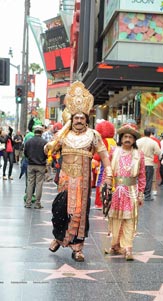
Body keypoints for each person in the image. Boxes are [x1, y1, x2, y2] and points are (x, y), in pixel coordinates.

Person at [44, 81, 112, 262]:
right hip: (65, 182)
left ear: (87, 119)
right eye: (76, 118)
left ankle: (77, 248)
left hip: (82, 183)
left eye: (82, 118)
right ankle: (59, 238)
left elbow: (105, 158)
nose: (79, 121)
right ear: (71, 120)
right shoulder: (63, 136)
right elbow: (48, 150)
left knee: (80, 215)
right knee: (59, 211)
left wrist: (109, 176)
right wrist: (54, 142)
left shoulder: (94, 136)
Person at [105, 122, 146, 261]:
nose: (127, 139)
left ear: (134, 140)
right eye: (125, 136)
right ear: (121, 138)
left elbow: (142, 175)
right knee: (115, 218)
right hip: (116, 190)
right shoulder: (113, 151)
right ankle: (115, 245)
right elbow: (108, 170)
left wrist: (141, 193)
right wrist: (106, 185)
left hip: (132, 191)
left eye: (130, 137)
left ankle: (128, 248)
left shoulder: (138, 154)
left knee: (129, 219)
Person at [93, 119, 116, 209]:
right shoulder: (113, 141)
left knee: (100, 183)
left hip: (104, 166)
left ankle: (100, 202)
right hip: (112, 165)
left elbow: (100, 155)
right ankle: (108, 201)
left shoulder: (103, 141)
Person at [24, 125, 47, 209]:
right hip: (41, 165)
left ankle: (28, 203)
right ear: (41, 132)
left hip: (30, 164)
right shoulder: (44, 142)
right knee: (39, 184)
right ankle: (37, 203)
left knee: (30, 183)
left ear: (34, 132)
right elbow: (47, 153)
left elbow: (25, 153)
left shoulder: (29, 142)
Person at [137, 128, 161, 201]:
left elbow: (134, 150)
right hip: (149, 163)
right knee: (149, 180)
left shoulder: (138, 141)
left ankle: (139, 194)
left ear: (144, 133)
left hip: (140, 163)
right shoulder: (153, 142)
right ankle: (147, 196)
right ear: (151, 133)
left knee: (139, 179)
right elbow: (158, 152)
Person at [150, 127, 161, 195]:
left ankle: (145, 191)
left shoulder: (145, 140)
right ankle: (154, 190)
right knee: (153, 177)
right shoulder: (157, 141)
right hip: (155, 161)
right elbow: (159, 151)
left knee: (145, 176)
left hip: (146, 161)